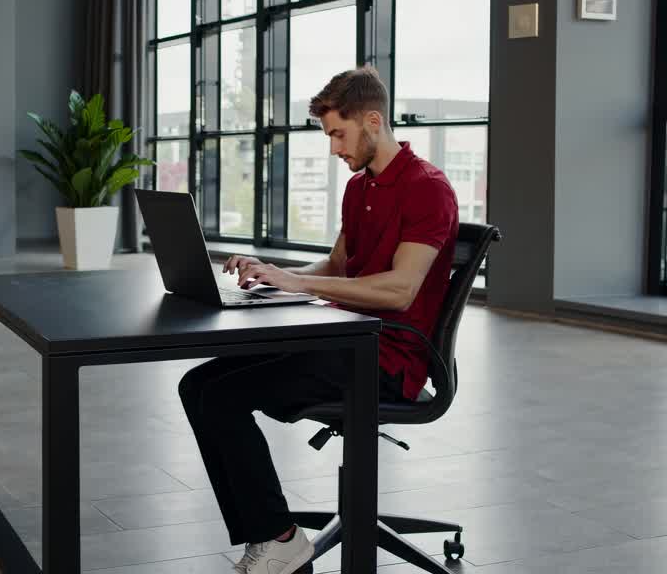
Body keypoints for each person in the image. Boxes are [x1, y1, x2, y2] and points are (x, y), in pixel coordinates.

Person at [178, 65, 459, 574]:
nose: (333, 148)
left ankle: (280, 539)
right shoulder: (361, 188)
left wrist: (299, 285)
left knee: (221, 398)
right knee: (197, 384)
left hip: (386, 359)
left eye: (338, 134)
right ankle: (269, 536)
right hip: (344, 340)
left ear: (373, 120)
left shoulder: (427, 188)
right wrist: (273, 275)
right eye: (329, 135)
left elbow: (399, 291)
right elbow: (336, 266)